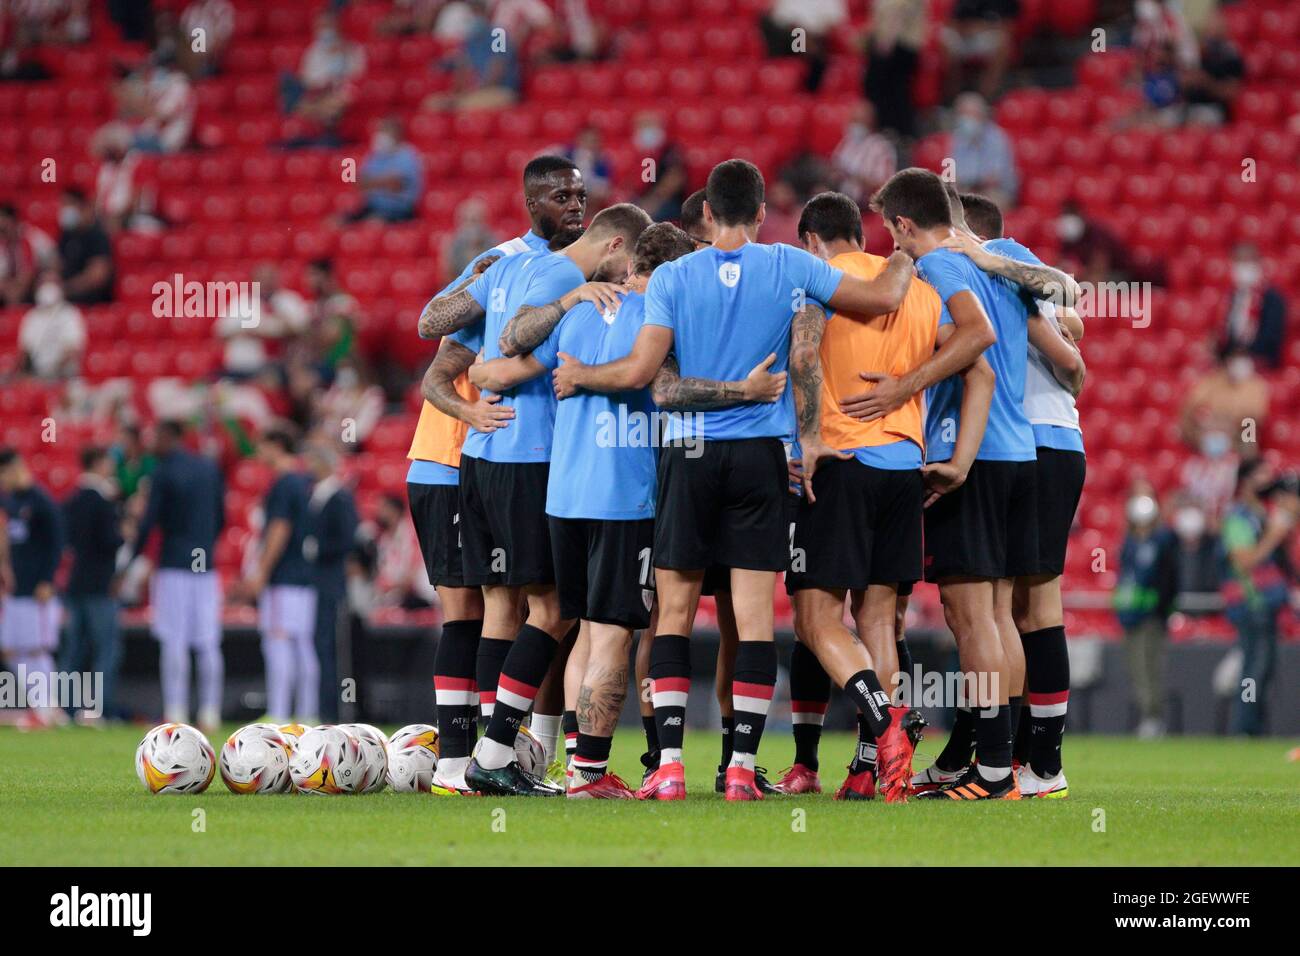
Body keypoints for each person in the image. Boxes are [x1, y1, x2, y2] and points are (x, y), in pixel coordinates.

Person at [548, 159, 920, 801]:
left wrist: (581, 375)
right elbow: (882, 298)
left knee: (673, 616)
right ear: (759, 215)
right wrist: (912, 252)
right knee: (751, 622)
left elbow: (647, 379)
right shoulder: (789, 265)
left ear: (710, 215)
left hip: (688, 455)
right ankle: (743, 770)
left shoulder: (671, 276)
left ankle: (667, 769)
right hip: (760, 460)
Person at [849, 168, 1078, 800]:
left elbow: (976, 337)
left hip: (972, 456)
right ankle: (998, 767)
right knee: (998, 616)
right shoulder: (1001, 257)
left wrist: (906, 384)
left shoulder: (943, 266)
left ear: (902, 225)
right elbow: (1067, 314)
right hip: (1019, 450)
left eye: (892, 231)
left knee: (972, 617)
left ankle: (995, 771)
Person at [420, 201, 653, 796]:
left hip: (480, 458)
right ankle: (495, 754)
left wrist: (473, 403)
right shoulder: (573, 287)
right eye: (631, 267)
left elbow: (466, 352)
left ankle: (462, 761)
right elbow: (505, 352)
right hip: (529, 463)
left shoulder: (504, 266)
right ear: (616, 249)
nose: (628, 282)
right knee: (554, 612)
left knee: (502, 610)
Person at [782, 191, 987, 800]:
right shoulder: (921, 292)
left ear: (813, 240)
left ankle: (884, 721)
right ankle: (870, 769)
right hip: (906, 466)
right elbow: (979, 355)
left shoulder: (821, 277)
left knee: (817, 621)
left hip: (842, 460)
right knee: (877, 617)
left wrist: (812, 436)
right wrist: (910, 387)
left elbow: (801, 356)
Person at [409, 154, 586, 793]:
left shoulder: (557, 265)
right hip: (470, 459)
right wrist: (472, 403)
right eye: (562, 195)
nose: (574, 203)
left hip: (493, 460)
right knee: (494, 608)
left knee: (507, 606)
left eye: (580, 194)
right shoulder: (507, 261)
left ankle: (492, 757)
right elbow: (433, 333)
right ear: (532, 202)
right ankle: (473, 760)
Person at [961, 190, 1087, 798]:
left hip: (1031, 443)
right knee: (1012, 609)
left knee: (1021, 607)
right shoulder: (1019, 284)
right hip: (1050, 441)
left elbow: (1070, 355)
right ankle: (1015, 760)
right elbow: (1075, 357)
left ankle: (1035, 764)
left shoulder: (1001, 275)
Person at [129, 420, 226, 733]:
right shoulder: (209, 468)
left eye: (155, 435)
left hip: (173, 563)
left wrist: (131, 559)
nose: (151, 442)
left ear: (170, 436)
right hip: (205, 566)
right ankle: (211, 712)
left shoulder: (163, 471)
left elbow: (149, 522)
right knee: (208, 641)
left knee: (174, 641)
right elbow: (221, 517)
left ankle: (176, 710)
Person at [241, 427, 318, 725]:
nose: (259, 454)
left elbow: (278, 530)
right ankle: (307, 712)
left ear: (276, 444)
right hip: (304, 576)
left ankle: (280, 711)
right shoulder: (304, 482)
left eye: (262, 446)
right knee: (303, 644)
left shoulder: (283, 484)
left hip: (284, 577)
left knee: (278, 643)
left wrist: (261, 571)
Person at [1220, 459, 1296, 736]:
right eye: (1260, 475)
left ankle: (1256, 730)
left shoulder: (1262, 516)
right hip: (1251, 603)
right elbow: (1244, 562)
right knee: (1254, 669)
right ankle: (1245, 729)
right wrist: (1274, 535)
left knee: (1265, 671)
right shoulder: (1238, 517)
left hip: (1268, 604)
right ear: (1246, 482)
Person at [59, 446, 125, 724]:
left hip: (75, 584)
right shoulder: (102, 501)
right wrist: (124, 531)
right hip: (100, 585)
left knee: (74, 648)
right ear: (98, 462)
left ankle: (67, 709)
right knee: (106, 648)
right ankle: (102, 708)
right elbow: (109, 541)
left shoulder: (71, 500)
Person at [0, 448, 65, 728]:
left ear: (15, 468)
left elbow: (57, 542)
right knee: (12, 649)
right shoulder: (11, 501)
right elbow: (11, 540)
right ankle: (45, 707)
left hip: (38, 591)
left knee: (37, 649)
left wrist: (48, 580)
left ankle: (47, 709)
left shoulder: (41, 501)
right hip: (17, 591)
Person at [1114, 490, 1179, 740]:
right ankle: (1147, 716)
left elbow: (1169, 578)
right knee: (1136, 667)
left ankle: (1153, 717)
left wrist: (1160, 606)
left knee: (1149, 666)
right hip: (1131, 612)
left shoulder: (1162, 541)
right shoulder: (1129, 543)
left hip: (1151, 615)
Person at [302, 443, 357, 724]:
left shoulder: (338, 497)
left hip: (331, 582)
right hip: (320, 581)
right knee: (320, 646)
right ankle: (323, 709)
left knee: (330, 647)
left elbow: (348, 538)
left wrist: (318, 548)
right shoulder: (319, 494)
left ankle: (334, 712)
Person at [1180, 348, 1269, 459]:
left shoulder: (1256, 385)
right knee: (1193, 425)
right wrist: (1212, 424)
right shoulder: (1211, 381)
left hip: (1238, 433)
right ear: (1227, 363)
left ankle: (1245, 465)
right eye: (1235, 361)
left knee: (1249, 427)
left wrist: (1228, 425)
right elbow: (1192, 407)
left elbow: (1255, 416)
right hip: (1210, 430)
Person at [863, 0, 926, 138]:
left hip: (898, 44)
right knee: (887, 89)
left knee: (895, 90)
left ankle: (898, 131)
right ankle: (887, 129)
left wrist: (887, 39)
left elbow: (900, 12)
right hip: (890, 41)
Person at [1219, 243, 1286, 370]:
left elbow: (1271, 338)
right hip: (1232, 362)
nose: (1243, 268)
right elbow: (1230, 334)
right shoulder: (1233, 297)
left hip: (1260, 362)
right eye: (1239, 262)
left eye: (1248, 262)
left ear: (1258, 264)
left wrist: (1245, 356)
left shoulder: (1272, 298)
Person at [346, 117, 424, 224]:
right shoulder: (374, 155)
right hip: (371, 207)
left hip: (399, 211)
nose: (380, 136)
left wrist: (372, 182)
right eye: (380, 131)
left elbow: (396, 184)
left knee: (372, 224)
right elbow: (358, 182)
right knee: (336, 223)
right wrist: (383, 181)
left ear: (398, 134)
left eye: (386, 131)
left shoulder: (408, 155)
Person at [949, 92, 1018, 209]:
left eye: (968, 114)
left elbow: (994, 178)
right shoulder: (958, 139)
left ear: (981, 115)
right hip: (968, 190)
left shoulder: (997, 138)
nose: (964, 119)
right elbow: (952, 175)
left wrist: (970, 181)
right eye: (961, 114)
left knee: (983, 206)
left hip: (997, 192)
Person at [19, 273, 86, 379]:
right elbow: (25, 351)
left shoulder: (70, 314)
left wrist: (52, 372)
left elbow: (73, 350)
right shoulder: (31, 316)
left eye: (52, 282)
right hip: (37, 374)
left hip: (64, 375)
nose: (48, 287)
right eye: (44, 283)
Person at [829, 101, 897, 207]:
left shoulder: (881, 148)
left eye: (858, 121)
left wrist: (853, 176)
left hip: (865, 204)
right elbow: (834, 166)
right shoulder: (848, 142)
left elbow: (885, 186)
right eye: (853, 120)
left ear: (870, 122)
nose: (854, 125)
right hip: (842, 198)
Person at [56, 188, 114, 305]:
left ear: (83, 207)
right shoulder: (66, 235)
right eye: (63, 205)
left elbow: (98, 276)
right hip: (67, 298)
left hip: (90, 300)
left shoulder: (97, 235)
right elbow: (58, 265)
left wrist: (66, 289)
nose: (65, 209)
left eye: (69, 204)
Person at [0, 201, 56, 306]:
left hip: (39, 281)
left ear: (13, 222)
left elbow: (28, 274)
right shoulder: (3, 243)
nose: (2, 232)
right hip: (15, 284)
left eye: (4, 227)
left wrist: (15, 291)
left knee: (48, 289)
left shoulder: (31, 238)